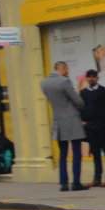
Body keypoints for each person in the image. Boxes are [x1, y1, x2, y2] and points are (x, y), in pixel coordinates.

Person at [40, 60, 89, 192]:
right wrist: (82, 106)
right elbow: (77, 100)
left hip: (58, 121)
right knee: (76, 151)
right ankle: (76, 182)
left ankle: (63, 183)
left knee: (62, 153)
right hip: (72, 119)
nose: (67, 72)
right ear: (61, 68)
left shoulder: (44, 83)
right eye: (66, 70)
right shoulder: (64, 81)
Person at [79, 68, 105, 186]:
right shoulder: (83, 93)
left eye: (93, 76)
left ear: (97, 78)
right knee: (95, 153)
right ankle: (97, 178)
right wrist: (82, 120)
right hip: (90, 126)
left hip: (103, 125)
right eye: (89, 76)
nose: (91, 78)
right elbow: (81, 108)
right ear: (86, 78)